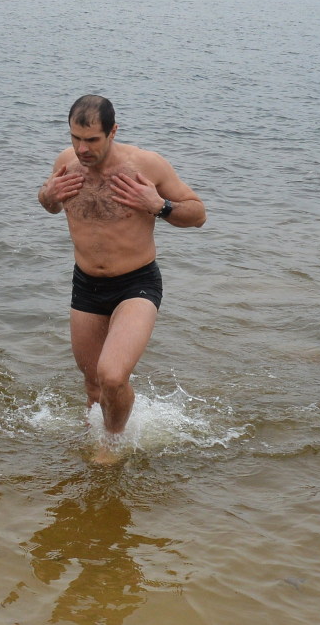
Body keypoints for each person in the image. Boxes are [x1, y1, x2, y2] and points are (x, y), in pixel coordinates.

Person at [38, 94, 206, 449]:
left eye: (92, 140)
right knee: (94, 388)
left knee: (112, 377)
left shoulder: (147, 165)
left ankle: (111, 446)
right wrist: (48, 195)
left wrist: (160, 206)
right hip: (86, 285)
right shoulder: (66, 163)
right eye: (75, 138)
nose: (82, 149)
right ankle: (93, 452)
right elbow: (51, 205)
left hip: (136, 283)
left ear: (113, 132)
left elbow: (197, 214)